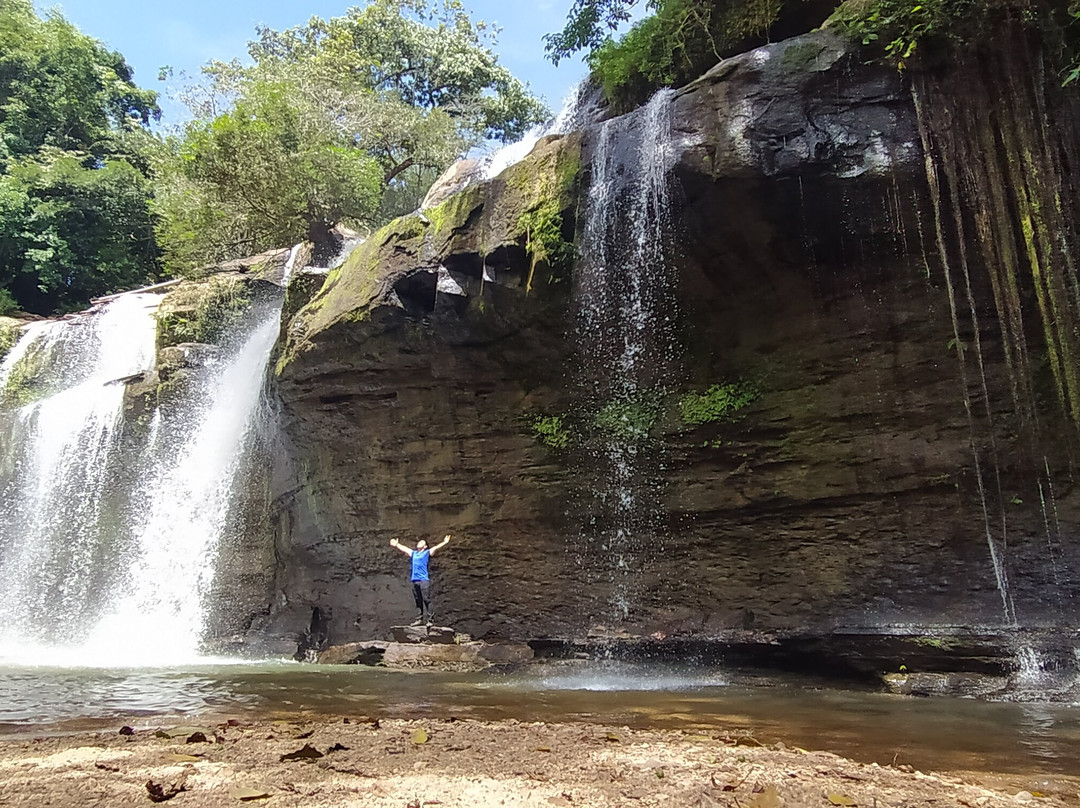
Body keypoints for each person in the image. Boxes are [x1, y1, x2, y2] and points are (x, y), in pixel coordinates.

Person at [389, 534, 451, 625]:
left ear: (425, 546)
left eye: (422, 542)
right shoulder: (414, 553)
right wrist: (397, 545)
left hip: (423, 580)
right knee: (418, 600)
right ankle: (419, 619)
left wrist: (444, 542)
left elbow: (436, 548)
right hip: (415, 580)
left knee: (426, 599)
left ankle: (430, 620)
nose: (419, 543)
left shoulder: (426, 553)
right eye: (419, 542)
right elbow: (405, 549)